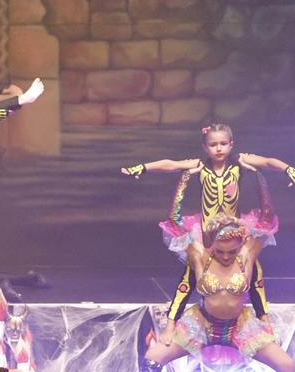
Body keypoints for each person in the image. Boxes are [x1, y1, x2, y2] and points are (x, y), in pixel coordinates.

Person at [133, 212, 295, 372]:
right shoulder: (199, 257)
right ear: (210, 244)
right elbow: (174, 221)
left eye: (232, 250)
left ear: (240, 244)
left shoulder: (247, 256)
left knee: (288, 367)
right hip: (202, 324)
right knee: (152, 359)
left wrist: (261, 177)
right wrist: (185, 178)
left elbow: (267, 219)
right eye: (220, 251)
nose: (226, 256)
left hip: (239, 326)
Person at [121, 123, 293, 323]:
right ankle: (172, 322)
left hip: (234, 232)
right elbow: (171, 164)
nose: (218, 148)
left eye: (223, 144)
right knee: (190, 275)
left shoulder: (239, 163)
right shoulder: (199, 165)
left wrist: (288, 169)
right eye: (213, 144)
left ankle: (263, 319)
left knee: (253, 269)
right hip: (206, 234)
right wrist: (143, 168)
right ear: (205, 147)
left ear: (231, 145)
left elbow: (268, 162)